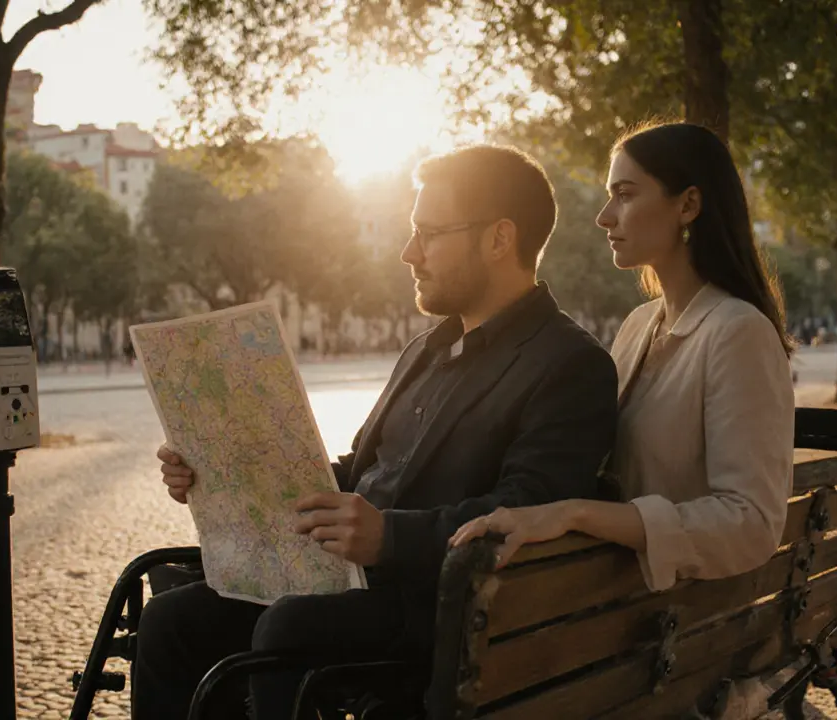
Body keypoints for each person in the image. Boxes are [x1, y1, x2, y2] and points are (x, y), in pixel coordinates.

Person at [134, 144, 620, 720]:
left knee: (287, 626)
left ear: (499, 239)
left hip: (439, 610)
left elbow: (532, 510)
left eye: (430, 234)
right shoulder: (426, 348)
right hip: (346, 582)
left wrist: (389, 537)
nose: (409, 253)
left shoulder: (570, 363)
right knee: (170, 618)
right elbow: (359, 471)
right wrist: (223, 474)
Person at [451, 123, 796, 716]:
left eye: (626, 194)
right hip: (616, 611)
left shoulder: (738, 332)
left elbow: (750, 522)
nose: (604, 216)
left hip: (667, 633)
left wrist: (578, 514)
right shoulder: (639, 325)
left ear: (688, 204)